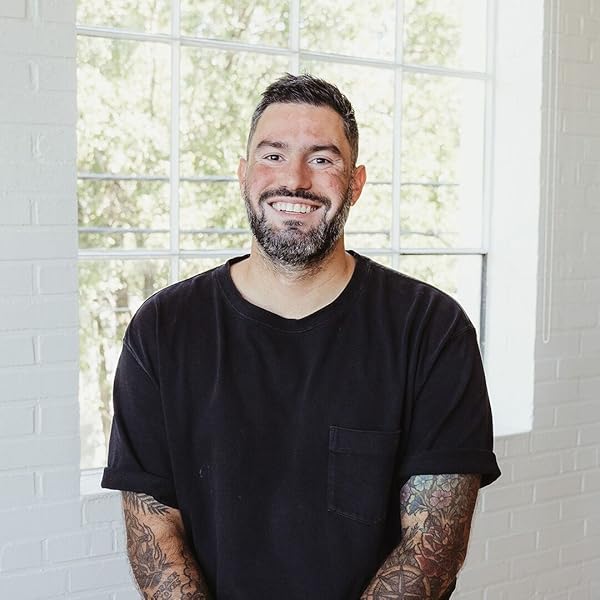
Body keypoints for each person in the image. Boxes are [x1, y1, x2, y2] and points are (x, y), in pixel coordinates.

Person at [101, 73, 501, 599]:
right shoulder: (162, 329)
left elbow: (432, 549)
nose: (294, 179)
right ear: (244, 175)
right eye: (273, 155)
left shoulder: (431, 329)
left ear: (355, 183)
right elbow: (154, 532)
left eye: (322, 159)